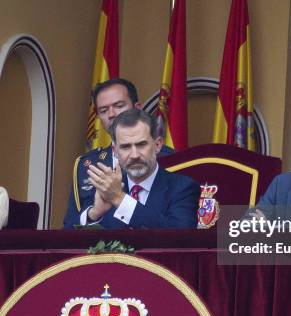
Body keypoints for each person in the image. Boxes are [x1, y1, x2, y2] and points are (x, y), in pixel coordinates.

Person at [64, 108, 199, 229]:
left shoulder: (183, 188)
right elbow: (65, 241)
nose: (134, 155)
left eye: (141, 145)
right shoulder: (106, 187)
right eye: (125, 147)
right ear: (115, 151)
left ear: (157, 145)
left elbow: (180, 238)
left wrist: (119, 199)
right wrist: (94, 214)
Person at [64, 78, 173, 226]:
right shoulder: (87, 165)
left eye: (119, 106)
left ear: (138, 108)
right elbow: (68, 228)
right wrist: (92, 215)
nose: (111, 114)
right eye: (103, 110)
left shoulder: (172, 158)